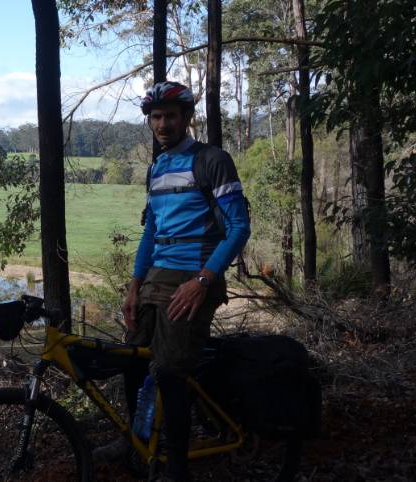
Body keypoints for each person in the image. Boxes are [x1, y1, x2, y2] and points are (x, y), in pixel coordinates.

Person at [93, 81, 251, 481]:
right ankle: (136, 440)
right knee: (133, 363)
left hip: (196, 273)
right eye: (156, 117)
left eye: (171, 116)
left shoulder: (212, 160)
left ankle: (176, 468)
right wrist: (133, 286)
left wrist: (203, 280)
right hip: (156, 277)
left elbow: (238, 227)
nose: (163, 124)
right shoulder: (157, 168)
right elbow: (151, 233)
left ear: (187, 118)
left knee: (168, 372)